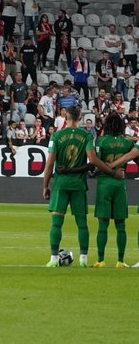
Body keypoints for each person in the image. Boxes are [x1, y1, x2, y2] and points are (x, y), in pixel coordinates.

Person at [41, 105, 115, 267]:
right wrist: (109, 170)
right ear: (80, 117)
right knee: (82, 223)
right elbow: (93, 160)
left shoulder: (57, 136)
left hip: (60, 184)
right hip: (79, 184)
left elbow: (50, 163)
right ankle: (83, 259)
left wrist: (45, 186)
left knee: (56, 223)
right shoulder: (86, 136)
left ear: (65, 116)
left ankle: (53, 259)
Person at [92, 113, 138, 267]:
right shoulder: (127, 143)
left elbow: (96, 162)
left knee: (102, 224)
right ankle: (120, 260)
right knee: (121, 225)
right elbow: (136, 157)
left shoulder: (101, 141)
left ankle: (100, 260)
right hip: (120, 184)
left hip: (104, 183)